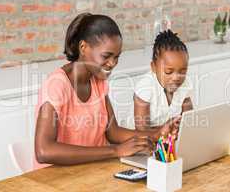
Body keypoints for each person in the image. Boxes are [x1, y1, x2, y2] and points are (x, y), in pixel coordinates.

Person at [34, 13, 180, 168]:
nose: (112, 63)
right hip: (56, 177)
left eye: (116, 57)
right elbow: (44, 150)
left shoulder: (98, 82)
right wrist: (115, 150)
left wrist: (156, 134)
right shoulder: (57, 85)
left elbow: (113, 132)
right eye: (106, 56)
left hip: (90, 170)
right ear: (83, 47)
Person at [133, 30, 193, 134]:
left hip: (170, 138)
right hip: (144, 140)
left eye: (183, 71)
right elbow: (141, 130)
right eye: (168, 72)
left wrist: (180, 127)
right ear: (154, 67)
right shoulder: (145, 86)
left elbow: (189, 119)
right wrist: (166, 129)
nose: (176, 77)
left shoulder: (185, 84)